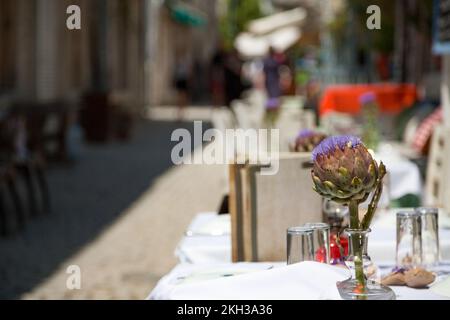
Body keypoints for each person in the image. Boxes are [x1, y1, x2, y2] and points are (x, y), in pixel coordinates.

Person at [173, 54, 191, 120]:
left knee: (183, 96)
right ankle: (179, 112)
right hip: (180, 79)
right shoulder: (177, 61)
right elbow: (175, 71)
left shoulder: (187, 60)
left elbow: (189, 71)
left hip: (184, 79)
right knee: (180, 96)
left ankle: (182, 111)